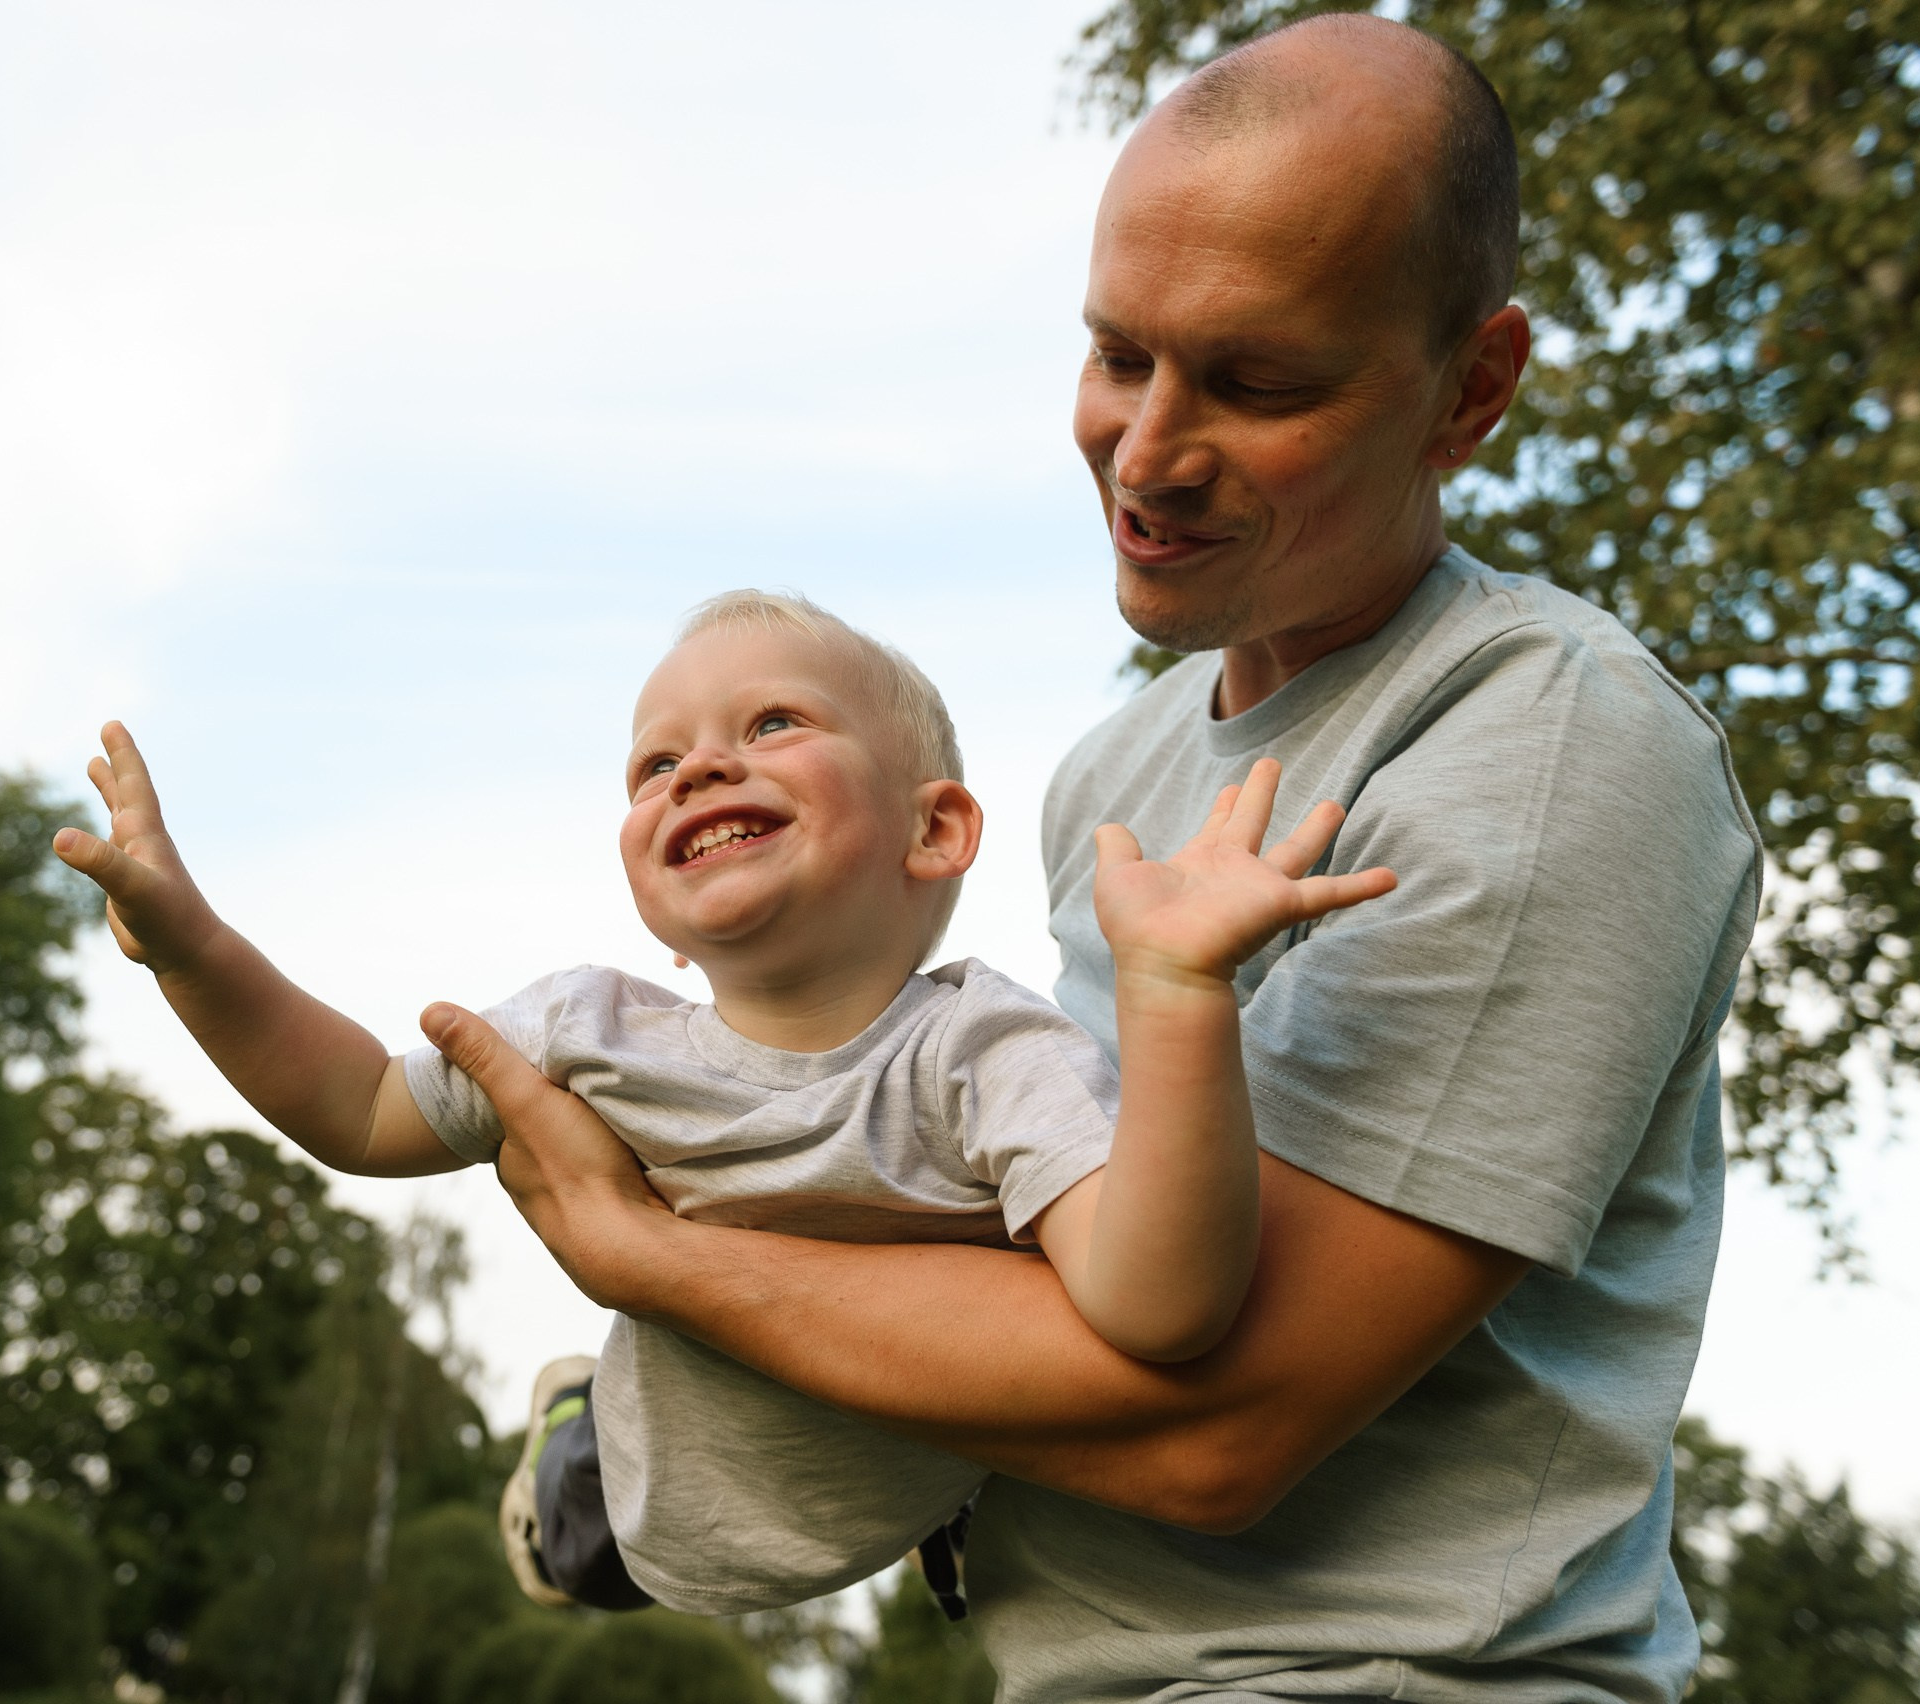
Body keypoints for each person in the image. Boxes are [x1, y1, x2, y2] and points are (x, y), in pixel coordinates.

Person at [416, 14, 1764, 1704]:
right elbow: (1047, 1243)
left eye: (1257, 383)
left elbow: (1219, 1431)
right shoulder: (1121, 771)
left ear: (1471, 388)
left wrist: (650, 1260)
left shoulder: (1553, 744)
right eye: (1121, 356)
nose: (1146, 453)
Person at [52, 590, 1393, 1615]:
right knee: (581, 1547)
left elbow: (1161, 1306)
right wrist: (191, 949)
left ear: (933, 830)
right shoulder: (588, 1036)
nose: (696, 768)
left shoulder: (995, 1058)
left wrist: (1175, 997)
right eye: (655, 765)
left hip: (913, 1479)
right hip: (646, 1496)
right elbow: (353, 1108)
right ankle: (571, 1420)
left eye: (773, 725)